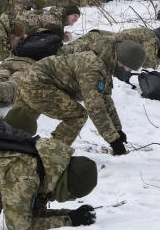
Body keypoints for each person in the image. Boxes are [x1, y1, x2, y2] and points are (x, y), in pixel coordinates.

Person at [11, 40, 145, 151]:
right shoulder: (93, 68)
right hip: (39, 84)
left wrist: (118, 130)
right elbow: (95, 107)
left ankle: (9, 149)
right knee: (77, 115)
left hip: (35, 78)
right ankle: (52, 152)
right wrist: (113, 140)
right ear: (119, 59)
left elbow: (105, 99)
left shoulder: (104, 63)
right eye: (127, 68)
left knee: (17, 129)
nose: (127, 71)